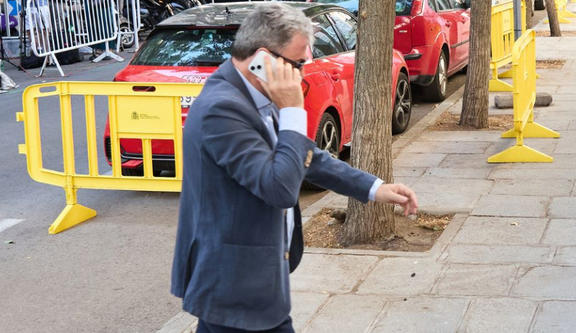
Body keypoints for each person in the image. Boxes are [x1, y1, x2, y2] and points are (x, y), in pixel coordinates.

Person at [170, 3, 419, 332]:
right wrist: (293, 111)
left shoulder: (253, 94)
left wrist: (374, 188)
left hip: (254, 283)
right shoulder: (222, 109)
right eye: (298, 63)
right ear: (263, 59)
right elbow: (279, 188)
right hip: (232, 287)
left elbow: (308, 157)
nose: (302, 73)